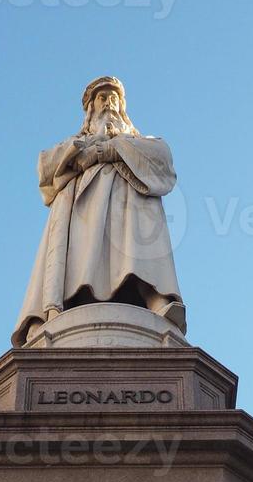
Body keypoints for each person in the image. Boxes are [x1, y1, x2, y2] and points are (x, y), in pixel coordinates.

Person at [13, 76, 185, 346]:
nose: (109, 103)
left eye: (114, 98)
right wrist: (80, 156)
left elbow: (162, 157)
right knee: (76, 244)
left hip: (128, 204)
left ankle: (156, 296)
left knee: (144, 212)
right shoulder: (76, 141)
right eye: (102, 98)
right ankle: (55, 310)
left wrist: (111, 149)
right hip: (82, 205)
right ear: (91, 108)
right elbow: (46, 168)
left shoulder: (138, 140)